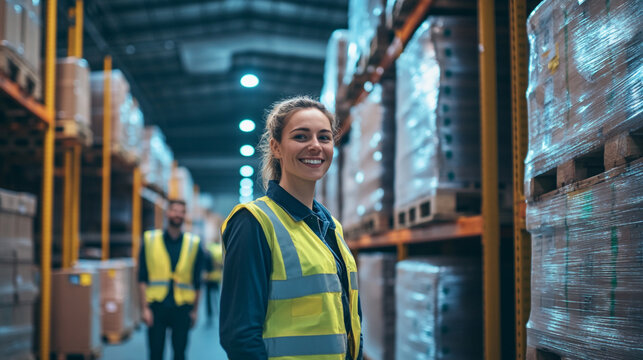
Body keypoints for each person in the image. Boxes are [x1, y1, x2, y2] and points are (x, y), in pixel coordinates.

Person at [219, 96, 363, 360]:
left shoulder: (331, 227)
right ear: (276, 147)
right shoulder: (254, 222)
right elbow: (239, 337)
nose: (315, 146)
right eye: (301, 137)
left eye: (324, 137)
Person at [138, 199, 205, 360]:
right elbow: (142, 277)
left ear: (185, 216)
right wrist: (144, 308)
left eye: (182, 212)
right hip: (157, 306)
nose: (178, 214)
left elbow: (197, 282)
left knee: (180, 354)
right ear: (167, 213)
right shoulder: (149, 240)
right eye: (175, 210)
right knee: (155, 353)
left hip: (182, 308)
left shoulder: (194, 243)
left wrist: (195, 311)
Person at [204, 240, 223, 324]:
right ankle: (219, 311)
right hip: (216, 277)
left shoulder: (209, 248)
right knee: (217, 296)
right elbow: (222, 264)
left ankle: (210, 314)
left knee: (209, 298)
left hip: (208, 277)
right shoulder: (219, 249)